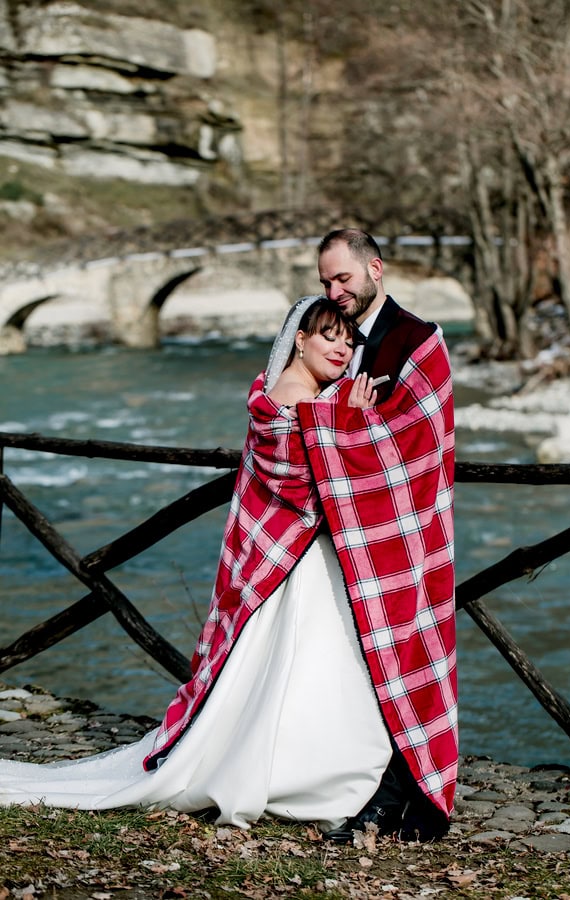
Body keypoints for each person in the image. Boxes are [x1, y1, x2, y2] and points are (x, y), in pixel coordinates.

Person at [0, 296, 394, 834]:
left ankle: (307, 767)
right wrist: (353, 419)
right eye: (328, 335)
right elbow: (313, 485)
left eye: (349, 341)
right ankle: (299, 774)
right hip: (297, 562)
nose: (341, 348)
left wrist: (341, 414)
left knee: (300, 671)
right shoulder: (301, 400)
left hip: (298, 557)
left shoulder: (300, 396)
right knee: (305, 666)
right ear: (299, 340)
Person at [301, 228, 458, 843]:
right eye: (325, 282)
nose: (335, 291)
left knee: (402, 659)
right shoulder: (327, 337)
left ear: (376, 268)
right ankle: (357, 787)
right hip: (336, 537)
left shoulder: (419, 342)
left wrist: (351, 427)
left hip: (407, 533)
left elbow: (419, 441)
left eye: (344, 278)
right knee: (352, 665)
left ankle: (409, 795)